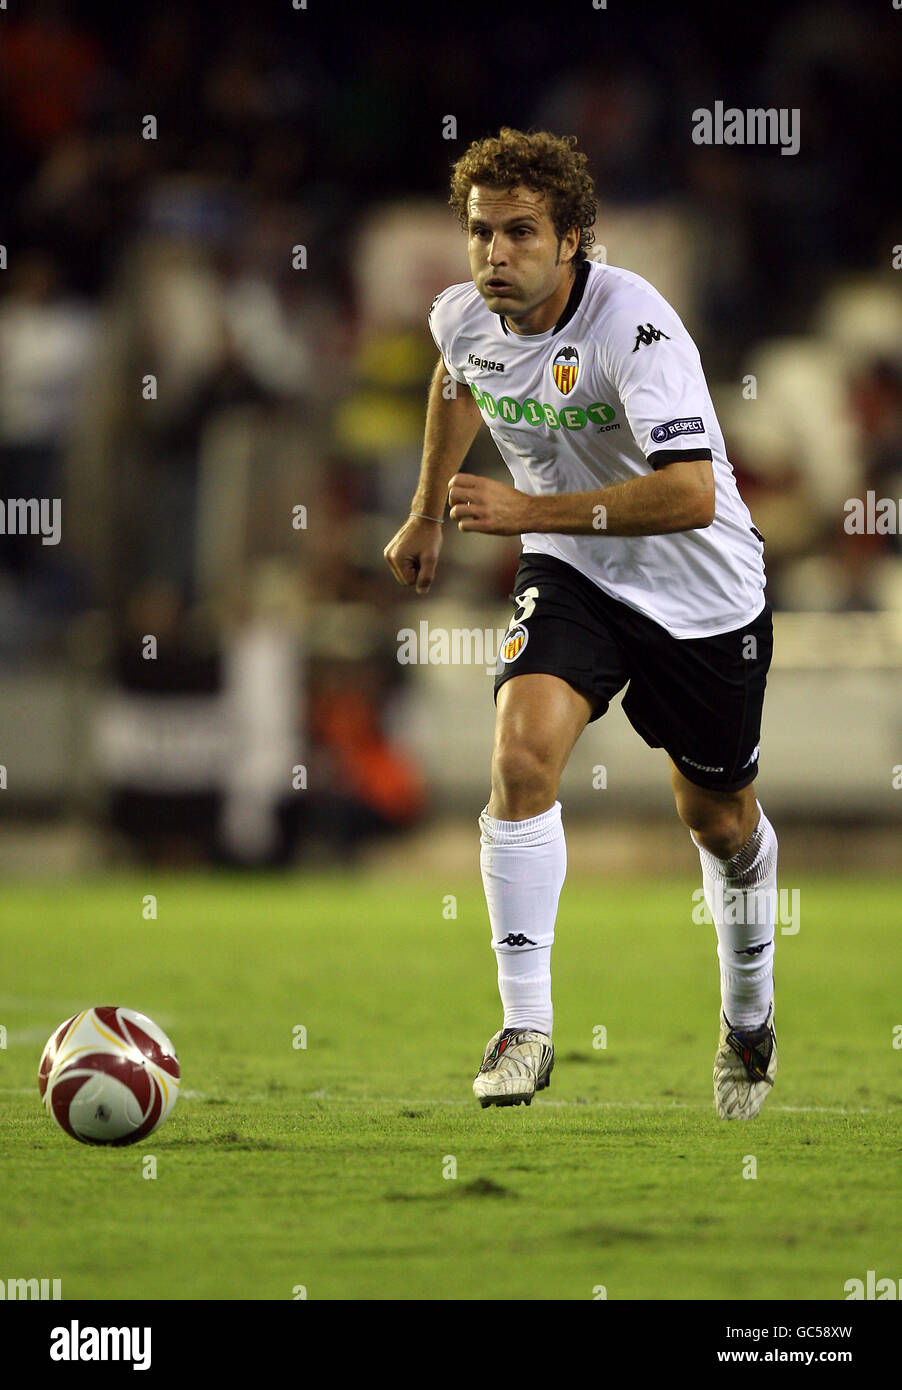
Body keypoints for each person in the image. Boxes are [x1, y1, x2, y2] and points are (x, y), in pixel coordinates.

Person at [384, 128, 778, 1120]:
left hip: (698, 593)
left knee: (717, 821)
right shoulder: (464, 316)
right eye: (481, 233)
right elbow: (454, 380)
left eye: (519, 233)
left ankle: (747, 1010)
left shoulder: (632, 327)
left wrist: (522, 511)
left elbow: (690, 492)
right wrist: (427, 509)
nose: (494, 255)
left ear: (573, 242)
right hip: (571, 573)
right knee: (520, 757)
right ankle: (524, 1027)